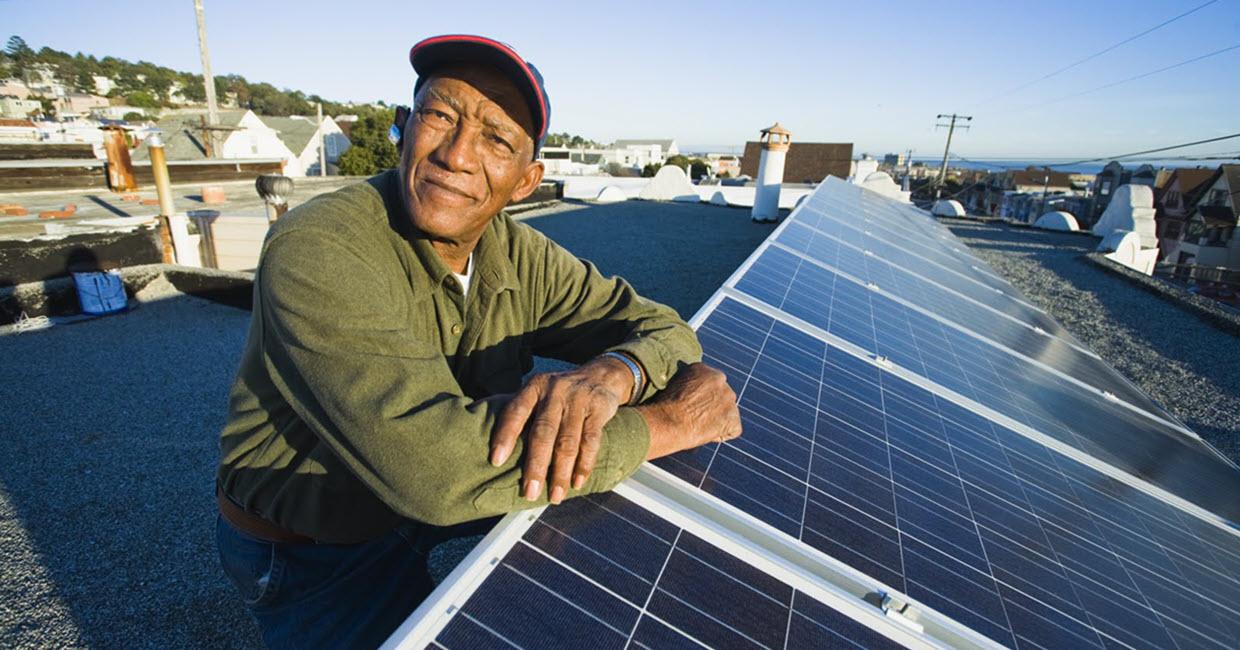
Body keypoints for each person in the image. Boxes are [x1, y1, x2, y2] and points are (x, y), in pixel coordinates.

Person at [214, 34, 741, 649]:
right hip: (317, 550)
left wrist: (616, 373)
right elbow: (433, 471)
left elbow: (664, 328)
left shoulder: (516, 253)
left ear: (526, 180)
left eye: (497, 139)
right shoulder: (321, 247)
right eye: (440, 116)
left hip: (413, 506)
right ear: (402, 128)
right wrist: (669, 424)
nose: (458, 155)